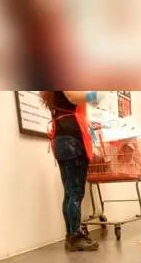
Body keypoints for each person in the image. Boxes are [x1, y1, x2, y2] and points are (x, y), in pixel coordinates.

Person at [40, 91, 99, 251]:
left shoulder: (52, 93)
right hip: (73, 142)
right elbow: (73, 96)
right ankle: (75, 236)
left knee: (69, 193)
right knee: (75, 193)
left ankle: (71, 236)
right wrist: (96, 95)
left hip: (61, 141)